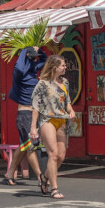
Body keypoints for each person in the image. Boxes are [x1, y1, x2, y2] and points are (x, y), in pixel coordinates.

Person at [30, 55, 75, 199]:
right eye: (62, 65)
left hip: (62, 119)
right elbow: (36, 107)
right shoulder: (43, 84)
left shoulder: (65, 82)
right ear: (54, 67)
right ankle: (54, 188)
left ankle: (44, 177)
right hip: (47, 119)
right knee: (53, 153)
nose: (65, 67)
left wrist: (71, 110)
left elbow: (67, 102)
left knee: (61, 156)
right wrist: (33, 128)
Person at [2, 46, 47, 188]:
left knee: (24, 146)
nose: (35, 58)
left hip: (33, 114)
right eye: (33, 56)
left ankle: (9, 173)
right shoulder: (19, 73)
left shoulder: (34, 69)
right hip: (24, 114)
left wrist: (39, 50)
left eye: (36, 56)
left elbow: (45, 60)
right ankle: (40, 176)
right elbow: (19, 67)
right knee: (30, 147)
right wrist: (24, 51)